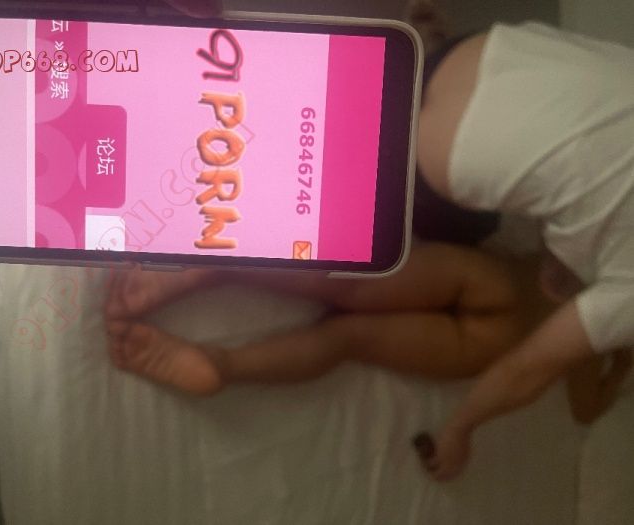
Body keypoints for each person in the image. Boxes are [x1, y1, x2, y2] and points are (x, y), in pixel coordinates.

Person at [106, 0, 634, 481]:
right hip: (493, 335)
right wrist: (460, 430)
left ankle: (220, 266)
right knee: (347, 338)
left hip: (492, 237)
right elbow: (543, 375)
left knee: (354, 286)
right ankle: (224, 358)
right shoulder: (616, 312)